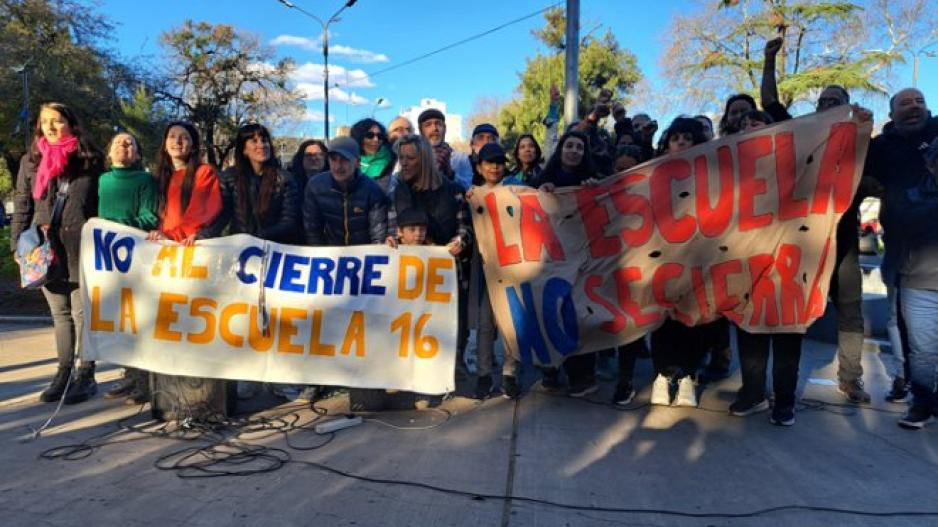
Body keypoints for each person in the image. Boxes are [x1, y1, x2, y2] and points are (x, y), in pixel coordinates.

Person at [761, 36, 873, 404]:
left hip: (842, 246)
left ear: (846, 108)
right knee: (788, 313)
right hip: (800, 245)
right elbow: (771, 105)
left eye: (833, 102)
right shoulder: (801, 136)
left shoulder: (862, 146)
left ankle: (851, 378)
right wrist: (768, 60)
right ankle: (779, 388)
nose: (826, 106)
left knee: (850, 311)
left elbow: (880, 183)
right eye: (822, 101)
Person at [10, 102, 104, 404]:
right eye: (45, 121)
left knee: (81, 312)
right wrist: (17, 246)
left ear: (70, 124)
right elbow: (23, 203)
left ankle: (86, 374)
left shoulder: (90, 158)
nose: (50, 127)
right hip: (43, 246)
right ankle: (63, 373)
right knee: (60, 315)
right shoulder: (31, 161)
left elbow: (100, 203)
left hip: (80, 245)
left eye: (58, 121)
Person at [863, 88, 938, 425]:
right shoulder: (881, 147)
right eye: (905, 103)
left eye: (920, 101)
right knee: (910, 333)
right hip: (907, 261)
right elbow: (859, 178)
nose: (914, 107)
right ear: (892, 115)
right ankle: (916, 393)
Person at [213, 123, 300, 400]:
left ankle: (280, 378)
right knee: (244, 318)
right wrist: (200, 239)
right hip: (242, 261)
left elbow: (290, 221)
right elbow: (221, 217)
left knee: (278, 320)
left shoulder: (284, 179)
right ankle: (248, 376)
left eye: (264, 140)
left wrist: (257, 238)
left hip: (277, 255)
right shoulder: (228, 178)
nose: (260, 145)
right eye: (253, 141)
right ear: (243, 148)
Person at [387, 134, 472, 386]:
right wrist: (390, 239)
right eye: (401, 158)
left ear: (424, 159)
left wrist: (460, 241)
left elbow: (465, 228)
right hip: (410, 276)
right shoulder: (397, 190)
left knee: (454, 322)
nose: (404, 163)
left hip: (448, 274)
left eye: (410, 158)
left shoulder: (453, 190)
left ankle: (453, 366)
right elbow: (392, 226)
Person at [648, 118, 713, 408]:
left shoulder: (713, 175)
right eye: (676, 138)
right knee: (661, 319)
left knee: (693, 318)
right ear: (667, 143)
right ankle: (662, 375)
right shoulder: (651, 174)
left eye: (688, 138)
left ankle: (687, 375)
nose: (682, 143)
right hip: (660, 258)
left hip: (699, 258)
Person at [534, 130, 602, 397]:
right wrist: (542, 192)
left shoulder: (593, 183)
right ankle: (551, 372)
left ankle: (582, 376)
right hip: (551, 260)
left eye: (579, 147)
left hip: (584, 261)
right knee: (552, 313)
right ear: (560, 150)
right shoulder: (543, 180)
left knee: (580, 317)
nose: (574, 150)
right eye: (569, 145)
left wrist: (594, 191)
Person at [98, 131, 159, 404]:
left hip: (137, 259)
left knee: (141, 318)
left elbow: (150, 217)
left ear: (137, 152)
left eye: (130, 142)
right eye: (118, 143)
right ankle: (130, 374)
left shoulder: (146, 180)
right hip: (109, 262)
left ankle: (146, 380)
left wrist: (116, 223)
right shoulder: (103, 180)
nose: (124, 146)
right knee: (120, 319)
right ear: (109, 152)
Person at [466, 143, 526, 398]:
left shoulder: (517, 191)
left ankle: (510, 373)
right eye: (489, 162)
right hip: (483, 268)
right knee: (484, 323)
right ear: (479, 167)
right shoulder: (471, 195)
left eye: (499, 162)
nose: (494, 167)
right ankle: (483, 374)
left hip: (512, 266)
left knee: (511, 322)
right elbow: (466, 229)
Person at [893, 135, 938, 429]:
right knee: (922, 351)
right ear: (931, 164)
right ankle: (921, 403)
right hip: (919, 283)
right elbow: (903, 225)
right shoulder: (912, 194)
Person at [303, 135, 388, 246]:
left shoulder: (373, 190)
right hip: (330, 255)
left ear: (357, 162)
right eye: (333, 159)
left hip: (363, 255)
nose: (338, 166)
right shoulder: (315, 186)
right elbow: (312, 231)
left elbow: (378, 235)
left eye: (344, 159)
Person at [148, 121, 222, 245]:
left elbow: (199, 215)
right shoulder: (158, 178)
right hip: (160, 246)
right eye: (172, 136)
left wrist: (170, 236)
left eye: (184, 137)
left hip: (188, 245)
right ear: (165, 145)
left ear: (193, 146)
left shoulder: (204, 172)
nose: (177, 141)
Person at [417, 108, 473, 191]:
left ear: (445, 128)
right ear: (421, 131)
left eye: (438, 124)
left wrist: (450, 173)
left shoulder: (460, 158)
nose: (434, 128)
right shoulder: (413, 158)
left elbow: (468, 188)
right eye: (428, 125)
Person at [351, 118, 396, 192]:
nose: (376, 139)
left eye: (380, 136)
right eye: (370, 135)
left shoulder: (393, 160)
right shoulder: (348, 162)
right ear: (359, 137)